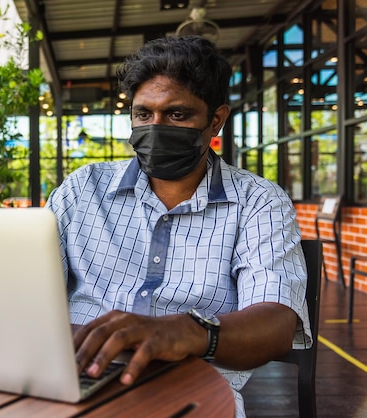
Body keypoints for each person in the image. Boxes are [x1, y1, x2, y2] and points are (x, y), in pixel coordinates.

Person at [44, 35, 311, 417]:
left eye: (177, 114)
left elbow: (276, 324)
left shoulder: (259, 202)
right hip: (76, 375)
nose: (155, 127)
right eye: (143, 114)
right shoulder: (82, 189)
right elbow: (27, 292)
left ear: (215, 119)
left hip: (192, 389)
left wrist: (187, 331)